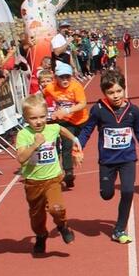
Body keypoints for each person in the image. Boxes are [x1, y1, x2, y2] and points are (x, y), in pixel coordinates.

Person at [77, 70, 139, 244]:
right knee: (107, 194)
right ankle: (106, 191)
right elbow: (87, 130)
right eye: (111, 93)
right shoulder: (98, 109)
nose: (115, 96)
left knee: (127, 191)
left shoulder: (133, 110)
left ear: (124, 90)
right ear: (104, 93)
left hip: (127, 159)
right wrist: (78, 147)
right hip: (108, 161)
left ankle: (119, 229)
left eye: (119, 91)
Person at [16, 94, 81, 254]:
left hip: (52, 178)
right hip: (33, 181)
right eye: (33, 118)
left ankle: (62, 226)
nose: (38, 121)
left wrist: (75, 139)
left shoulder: (51, 128)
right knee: (36, 216)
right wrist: (34, 145)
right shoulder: (23, 135)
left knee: (56, 208)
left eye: (42, 117)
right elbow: (21, 159)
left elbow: (61, 129)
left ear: (47, 115)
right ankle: (41, 235)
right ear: (25, 118)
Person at [42, 61, 88, 190]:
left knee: (75, 147)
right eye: (62, 77)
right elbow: (41, 96)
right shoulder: (51, 87)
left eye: (67, 76)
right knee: (66, 144)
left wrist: (67, 110)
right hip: (64, 121)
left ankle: (69, 166)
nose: (65, 79)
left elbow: (82, 104)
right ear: (56, 78)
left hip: (80, 120)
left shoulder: (76, 86)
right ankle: (68, 173)